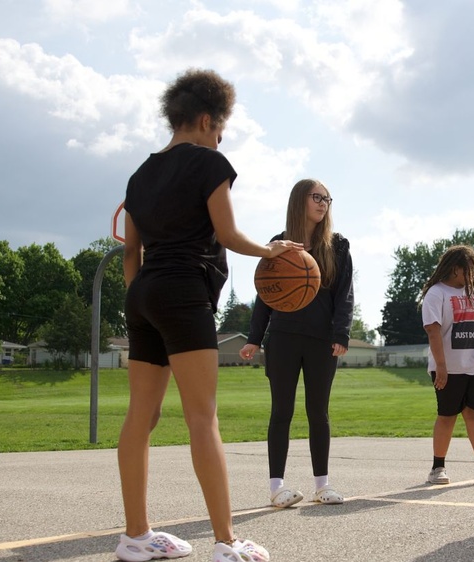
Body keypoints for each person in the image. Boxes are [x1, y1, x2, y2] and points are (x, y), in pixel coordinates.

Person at [118, 68, 292, 562]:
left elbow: (132, 253)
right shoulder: (208, 164)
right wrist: (273, 250)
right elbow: (230, 236)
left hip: (145, 293)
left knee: (141, 416)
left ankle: (136, 536)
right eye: (220, 129)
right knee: (202, 416)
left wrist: (143, 300)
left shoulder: (140, 174)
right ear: (204, 118)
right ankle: (226, 542)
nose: (220, 139)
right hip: (184, 291)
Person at [239, 179, 354, 508]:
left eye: (327, 199)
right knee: (281, 412)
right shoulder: (279, 244)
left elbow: (345, 294)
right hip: (284, 337)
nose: (323, 203)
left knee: (318, 412)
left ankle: (323, 485)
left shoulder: (339, 245)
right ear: (299, 200)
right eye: (316, 197)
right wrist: (253, 338)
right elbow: (265, 294)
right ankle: (277, 488)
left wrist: (341, 333)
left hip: (321, 340)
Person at [420, 245, 474, 487]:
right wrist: (441, 366)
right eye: (469, 269)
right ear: (456, 269)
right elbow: (433, 331)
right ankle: (438, 467)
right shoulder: (436, 293)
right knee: (447, 416)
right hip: (448, 368)